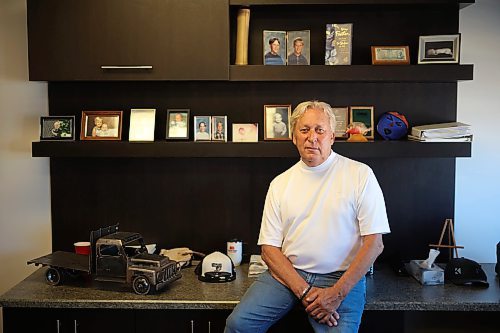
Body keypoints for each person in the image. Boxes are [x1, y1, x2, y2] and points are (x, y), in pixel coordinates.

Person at [225, 100, 390, 333]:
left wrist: (337, 293)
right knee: (238, 325)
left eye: (319, 130)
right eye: (304, 130)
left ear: (332, 137)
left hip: (342, 278)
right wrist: (305, 291)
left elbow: (375, 244)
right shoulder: (280, 184)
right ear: (294, 137)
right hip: (289, 276)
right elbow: (269, 249)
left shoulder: (360, 175)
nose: (312, 137)